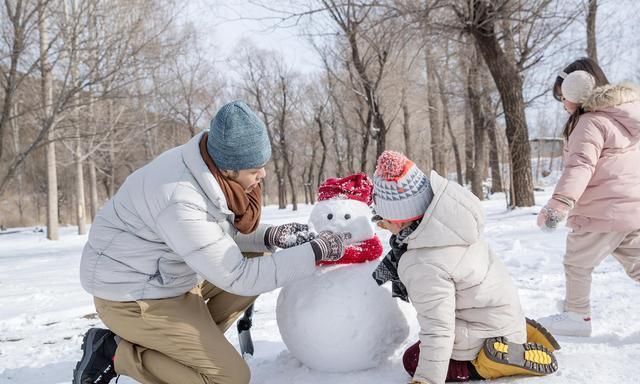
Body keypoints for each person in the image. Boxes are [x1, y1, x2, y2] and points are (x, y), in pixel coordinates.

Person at [72, 100, 356, 384]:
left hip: (168, 276)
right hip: (133, 295)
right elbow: (237, 275)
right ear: (230, 169)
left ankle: (186, 349)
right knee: (229, 378)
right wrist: (315, 252)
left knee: (262, 256)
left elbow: (213, 233)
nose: (264, 175)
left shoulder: (207, 168)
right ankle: (114, 352)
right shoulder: (180, 197)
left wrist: (269, 236)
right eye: (255, 168)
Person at [371, 151, 559, 384]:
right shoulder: (449, 225)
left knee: (412, 358)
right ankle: (515, 334)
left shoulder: (423, 262)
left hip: (484, 332)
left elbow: (438, 327)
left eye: (384, 220)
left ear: (399, 220)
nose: (381, 225)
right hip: (498, 315)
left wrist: (426, 379)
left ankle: (497, 361)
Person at [537, 58, 640, 337]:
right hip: (632, 209)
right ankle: (574, 308)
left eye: (564, 96)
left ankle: (576, 315)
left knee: (577, 263)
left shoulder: (589, 122)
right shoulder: (621, 116)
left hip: (601, 211)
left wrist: (559, 205)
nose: (563, 104)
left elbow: (581, 166)